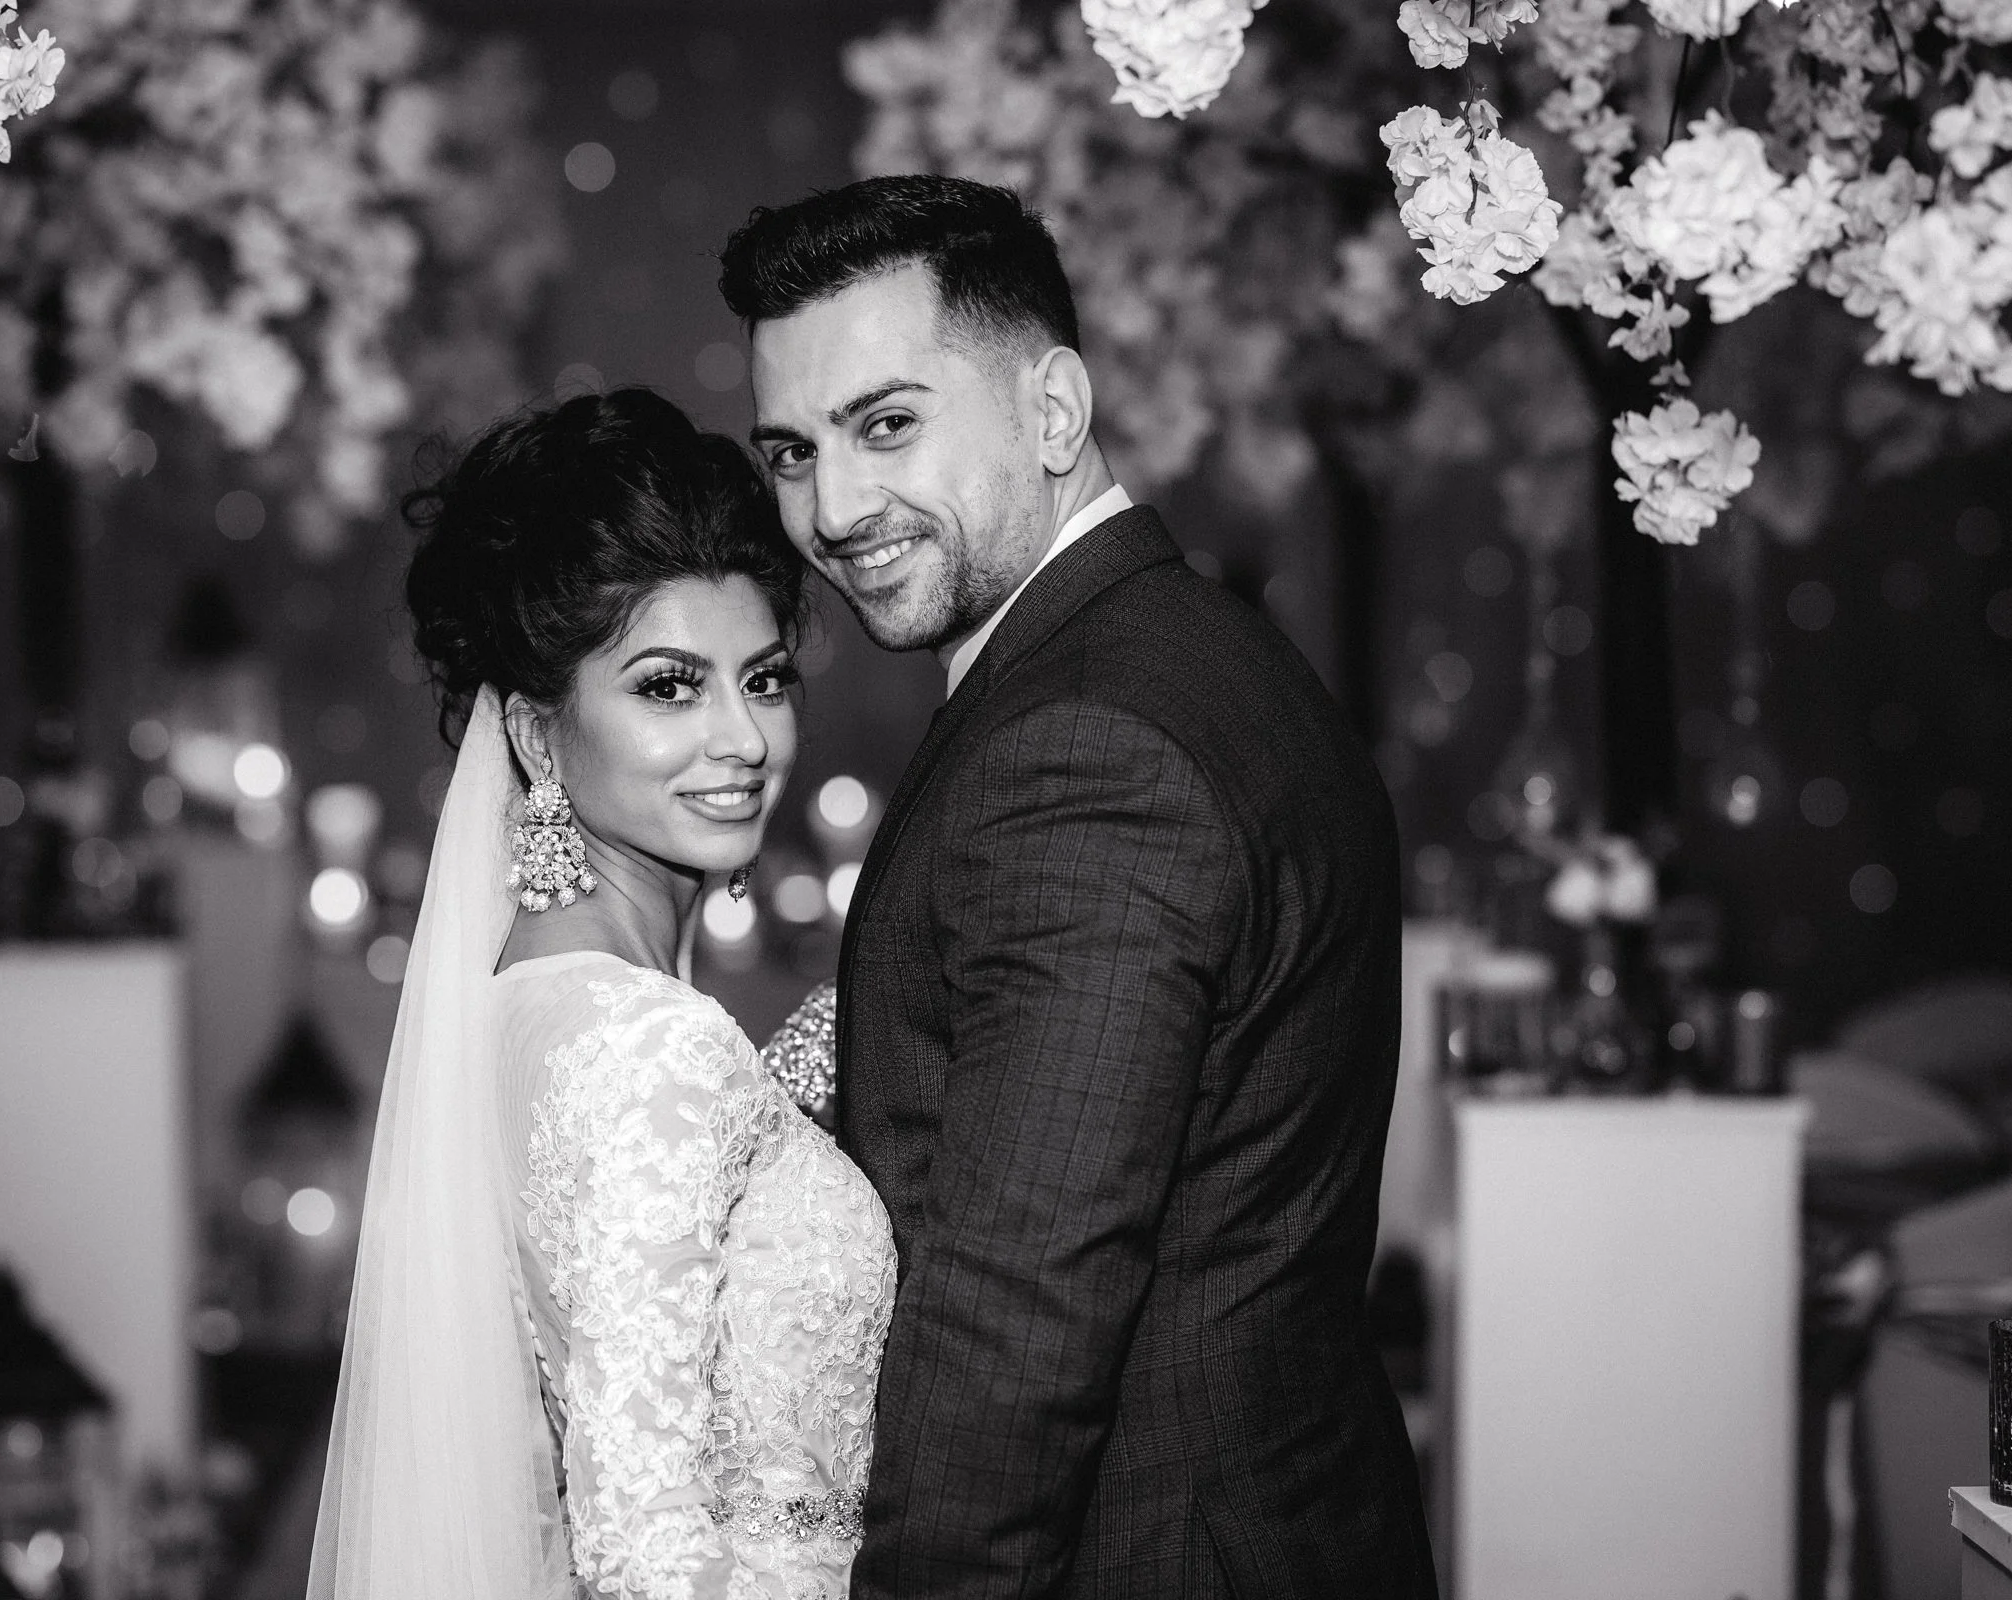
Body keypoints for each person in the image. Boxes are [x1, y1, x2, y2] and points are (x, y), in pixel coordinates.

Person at [721, 175, 1438, 1598]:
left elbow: (1016, 1328)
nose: (834, 506)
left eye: (887, 425)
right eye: (792, 453)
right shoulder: (1186, 655)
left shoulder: (1085, 747)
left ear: (1054, 411)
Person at [306, 388, 897, 1599]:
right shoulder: (645, 1048)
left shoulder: (534, 999)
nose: (743, 738)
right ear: (535, 732)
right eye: (669, 686)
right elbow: (645, 1554)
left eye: (767, 677)